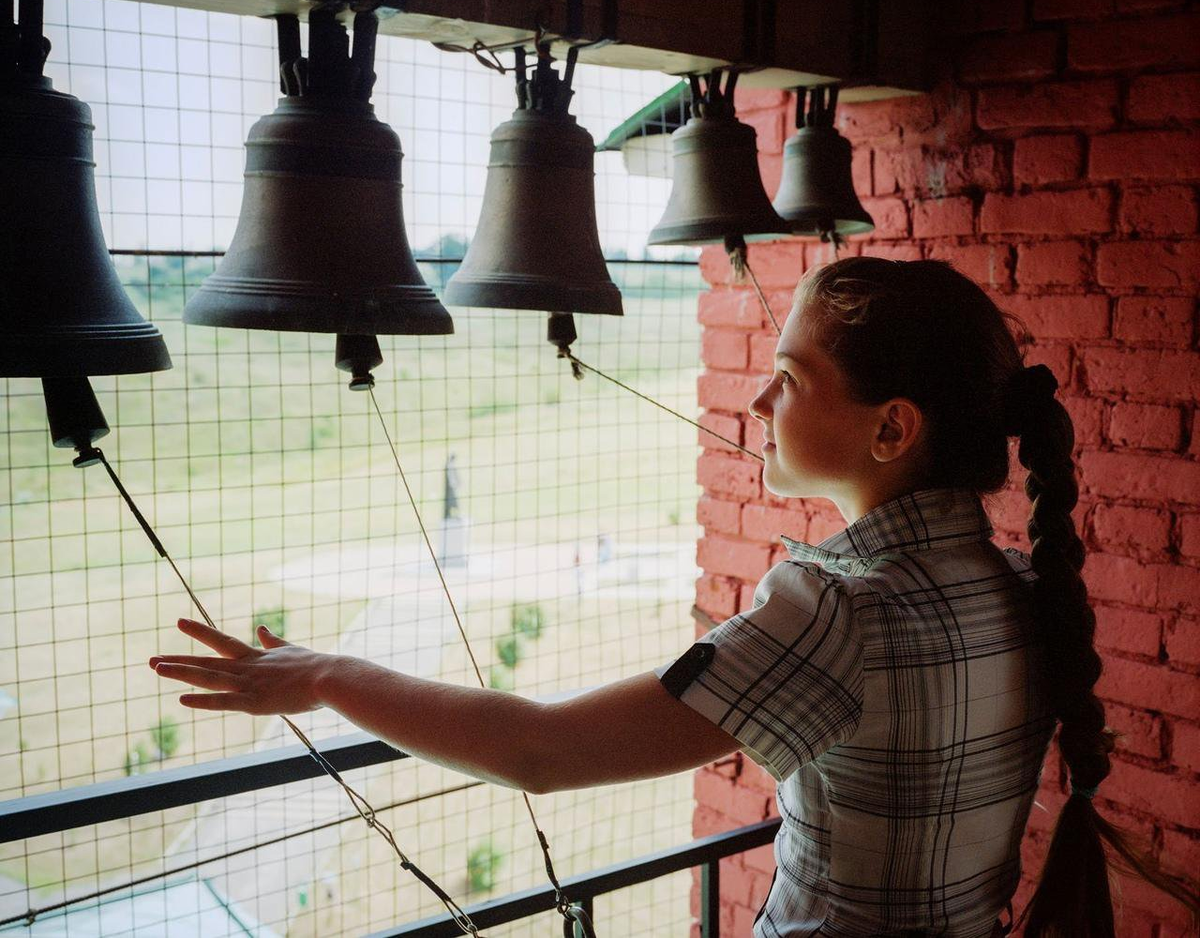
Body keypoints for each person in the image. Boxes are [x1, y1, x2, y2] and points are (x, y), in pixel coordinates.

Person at [151, 258, 1198, 936]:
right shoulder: (1013, 585)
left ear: (891, 429)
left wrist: (331, 672)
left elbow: (538, 751)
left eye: (791, 377)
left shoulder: (837, 609)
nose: (758, 396)